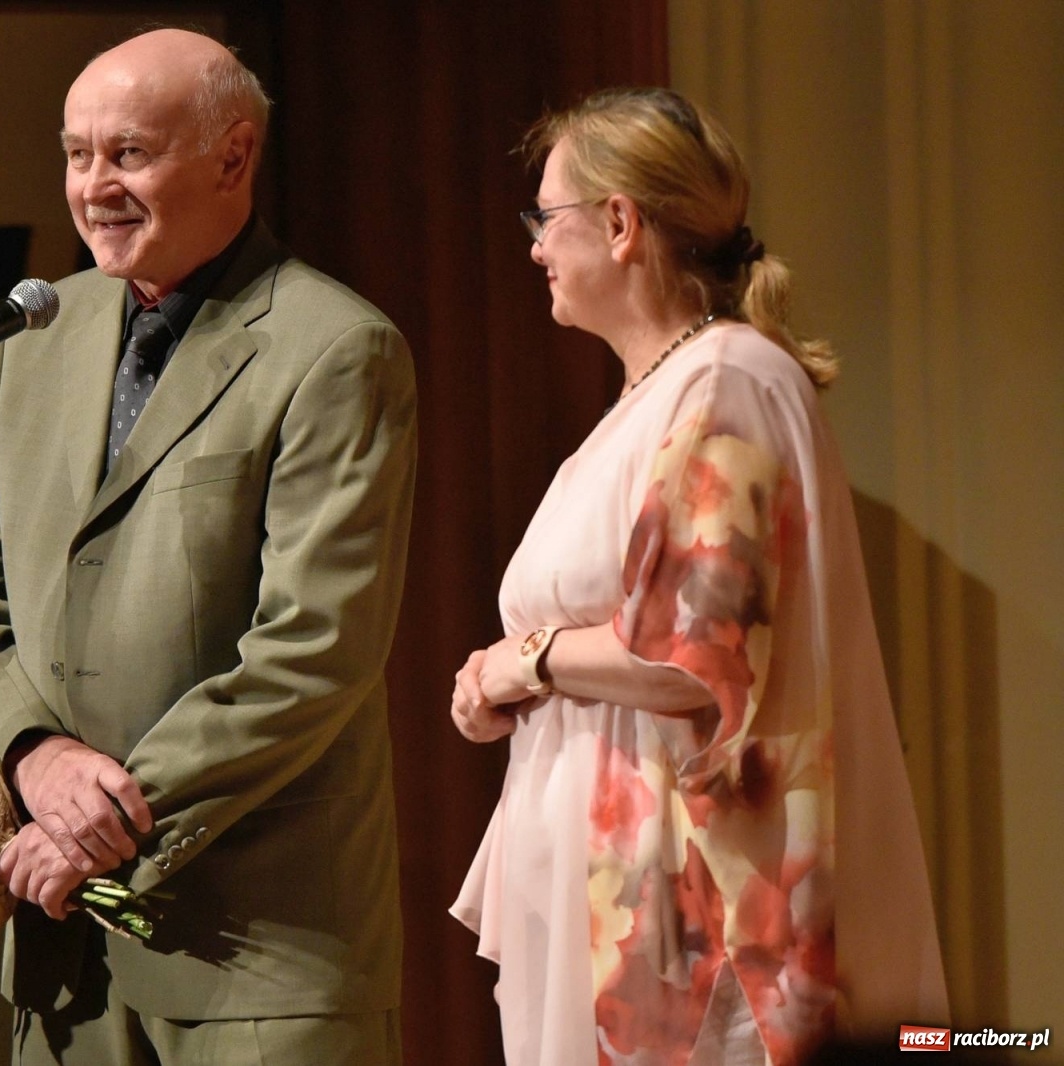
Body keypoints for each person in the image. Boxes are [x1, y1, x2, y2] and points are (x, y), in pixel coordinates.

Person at [0, 28, 416, 1066]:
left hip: (262, 959)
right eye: (75, 153)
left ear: (232, 156)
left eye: (127, 153)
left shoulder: (333, 348)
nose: (94, 185)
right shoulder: (34, 340)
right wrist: (33, 754)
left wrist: (94, 822)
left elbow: (314, 648)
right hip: (64, 960)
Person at [448, 88, 947, 1066]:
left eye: (544, 220)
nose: (535, 247)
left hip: (700, 929)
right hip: (618, 903)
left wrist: (525, 661)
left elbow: (694, 654)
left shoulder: (726, 381)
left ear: (621, 223)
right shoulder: (652, 399)